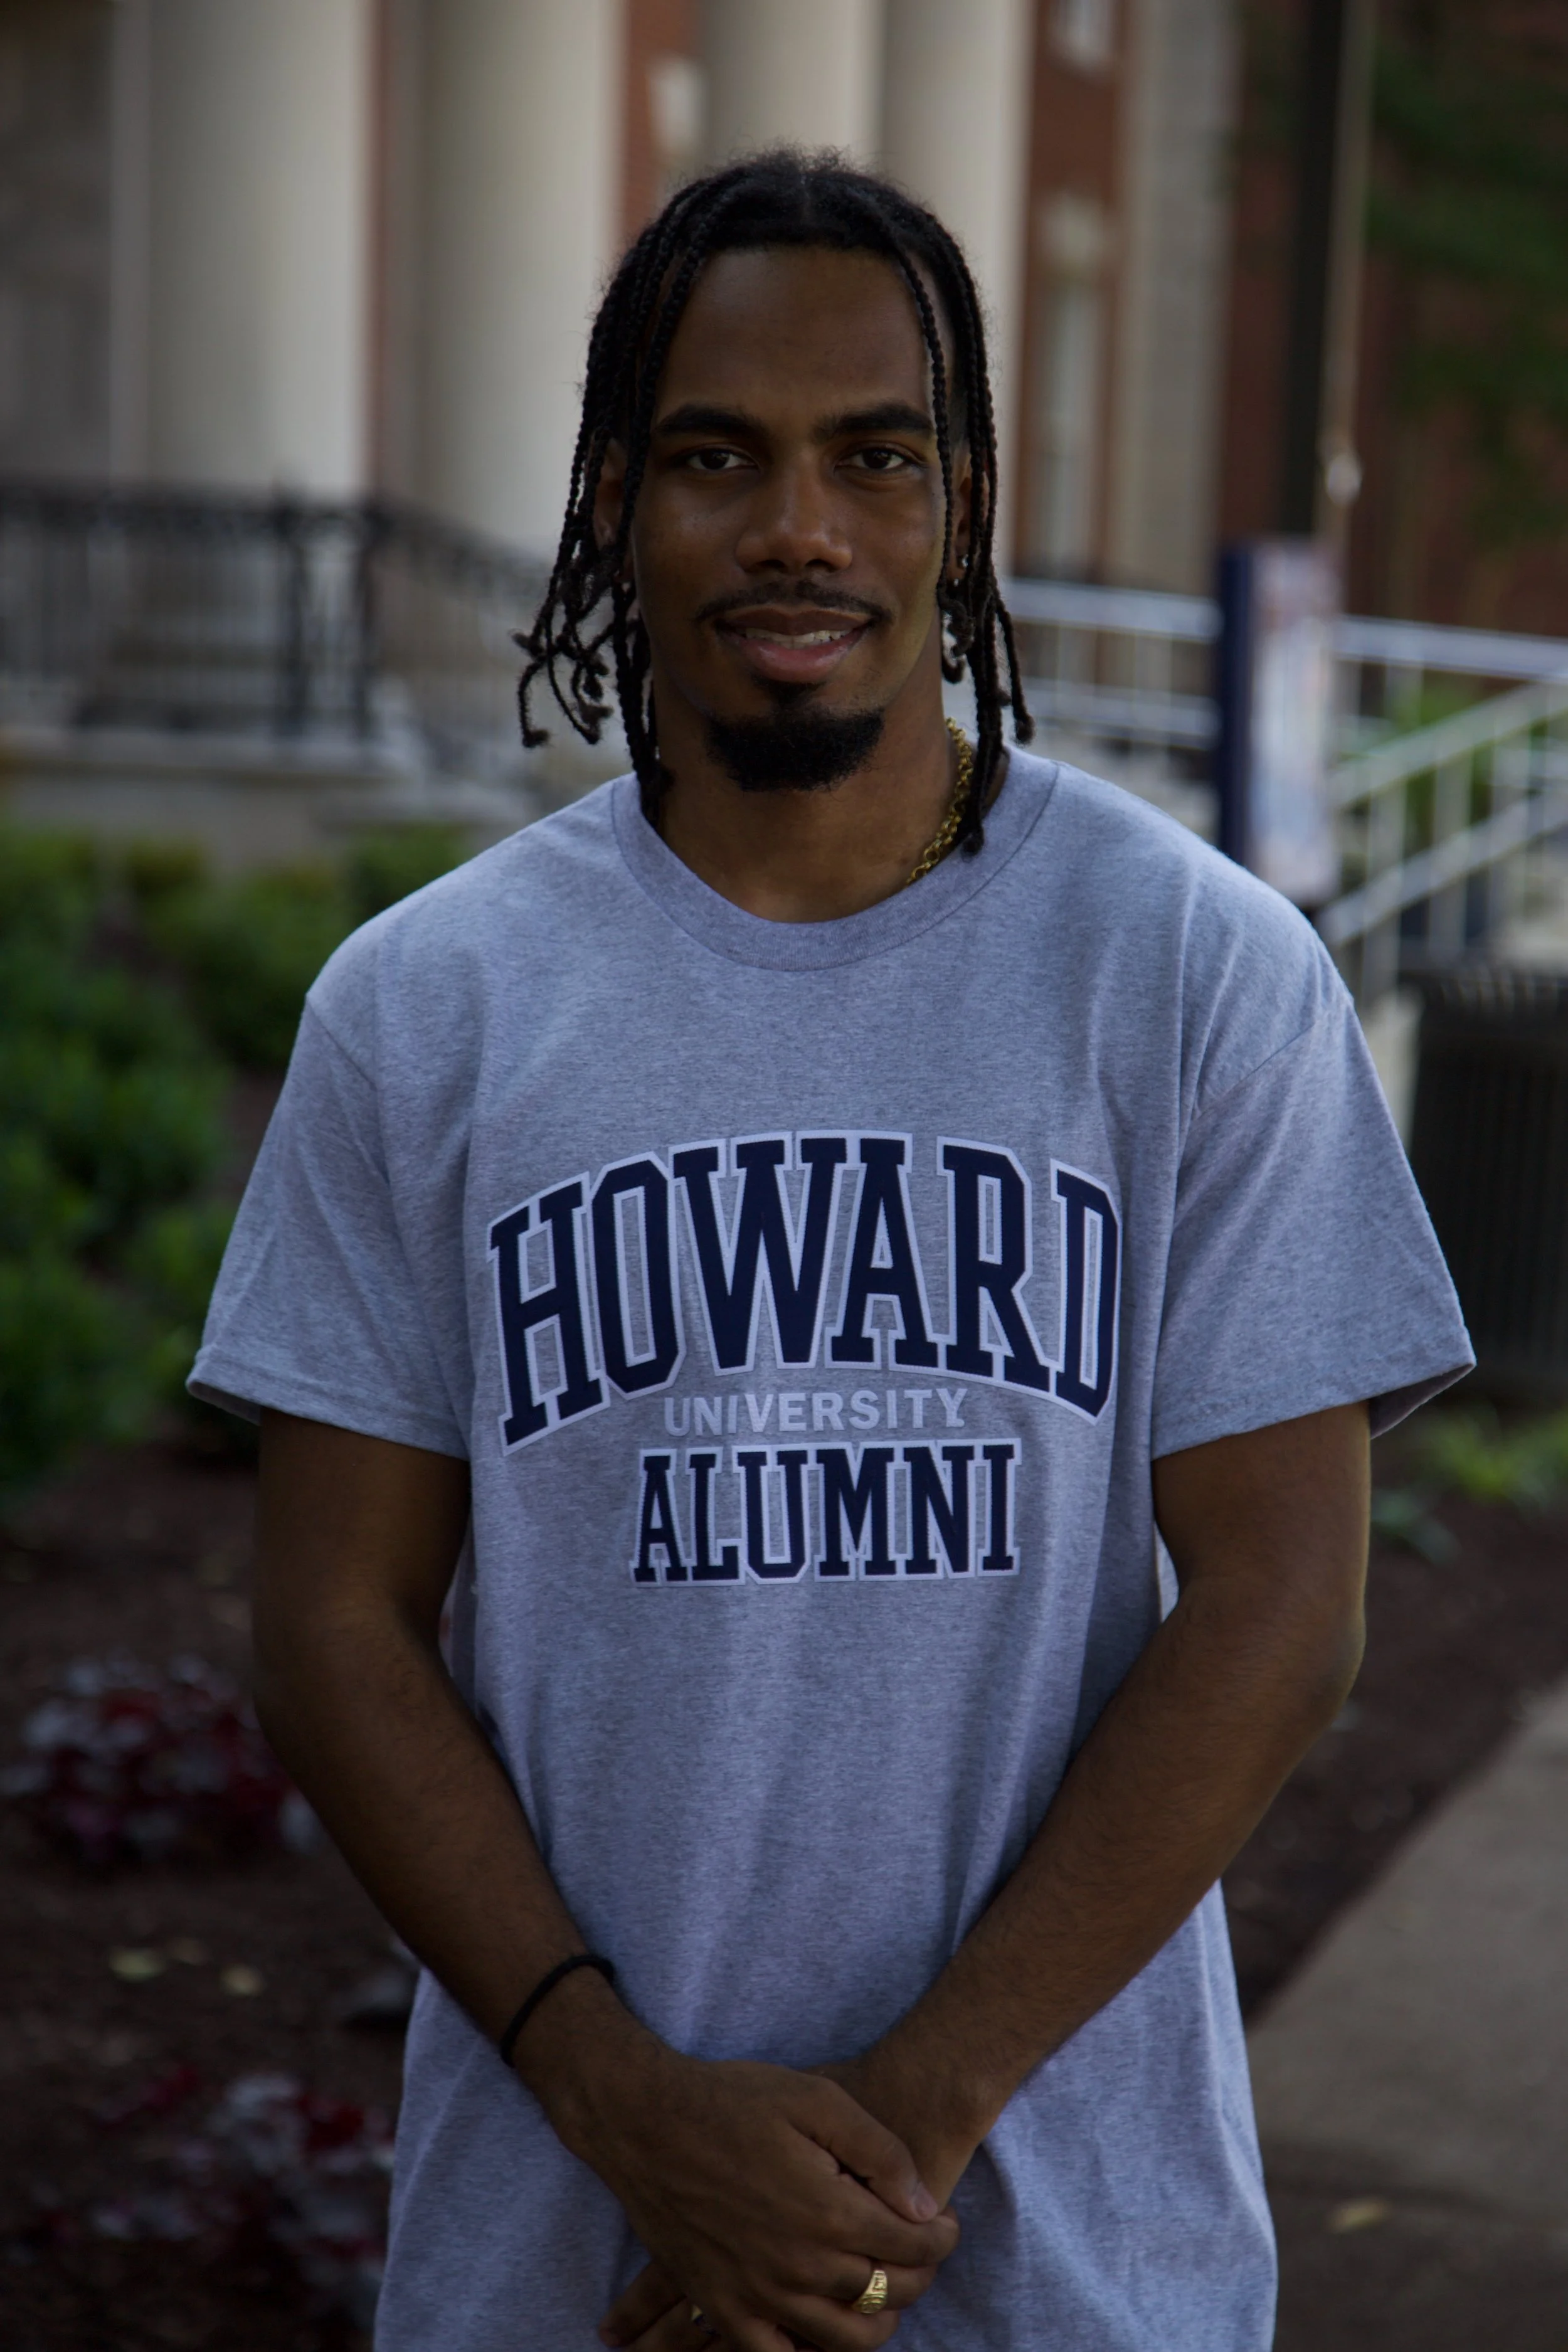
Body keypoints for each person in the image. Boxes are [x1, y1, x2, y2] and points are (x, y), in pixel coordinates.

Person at [193, 152, 1471, 2352]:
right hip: (564, 2263)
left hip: (1066, 2263)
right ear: (610, 501)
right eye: (718, 457)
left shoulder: (1189, 976)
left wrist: (889, 2138)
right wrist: (631, 2112)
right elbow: (330, 1622)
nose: (801, 527)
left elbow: (1280, 1609)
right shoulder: (429, 1007)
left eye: (874, 457)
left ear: (959, 508)